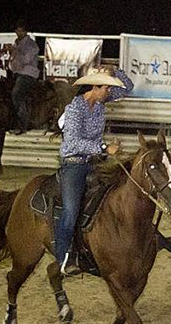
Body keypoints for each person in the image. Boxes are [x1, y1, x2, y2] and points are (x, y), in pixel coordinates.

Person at [55, 66, 133, 276]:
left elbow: (128, 88)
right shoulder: (74, 109)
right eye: (106, 87)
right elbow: (73, 141)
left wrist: (115, 71)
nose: (109, 92)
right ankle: (64, 257)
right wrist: (104, 148)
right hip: (74, 163)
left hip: (95, 162)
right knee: (70, 210)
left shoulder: (99, 102)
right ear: (95, 87)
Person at [1, 19, 40, 134]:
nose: (18, 34)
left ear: (25, 32)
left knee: (16, 94)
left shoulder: (32, 45)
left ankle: (22, 123)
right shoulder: (16, 44)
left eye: (21, 31)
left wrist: (15, 50)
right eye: (17, 31)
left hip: (27, 74)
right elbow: (15, 61)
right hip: (16, 74)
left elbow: (26, 60)